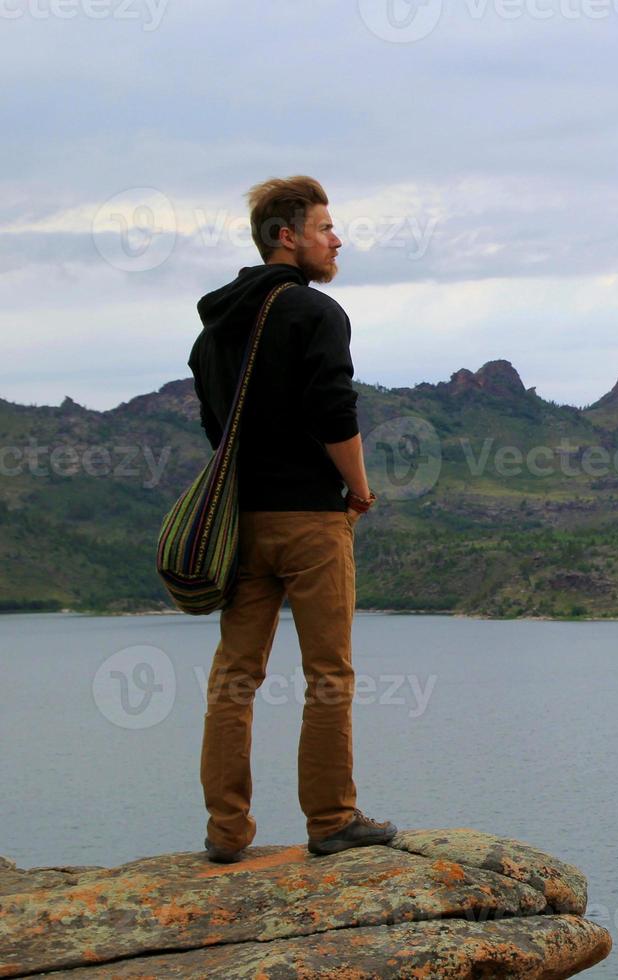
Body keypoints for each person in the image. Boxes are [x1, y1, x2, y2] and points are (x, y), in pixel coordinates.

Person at [188, 175, 395, 863]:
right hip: (309, 521)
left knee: (234, 677)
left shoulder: (216, 324)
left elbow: (214, 423)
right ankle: (332, 819)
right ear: (287, 236)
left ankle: (226, 833)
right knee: (328, 674)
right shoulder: (316, 313)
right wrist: (359, 490)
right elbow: (335, 413)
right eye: (325, 228)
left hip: (240, 526)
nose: (337, 241)